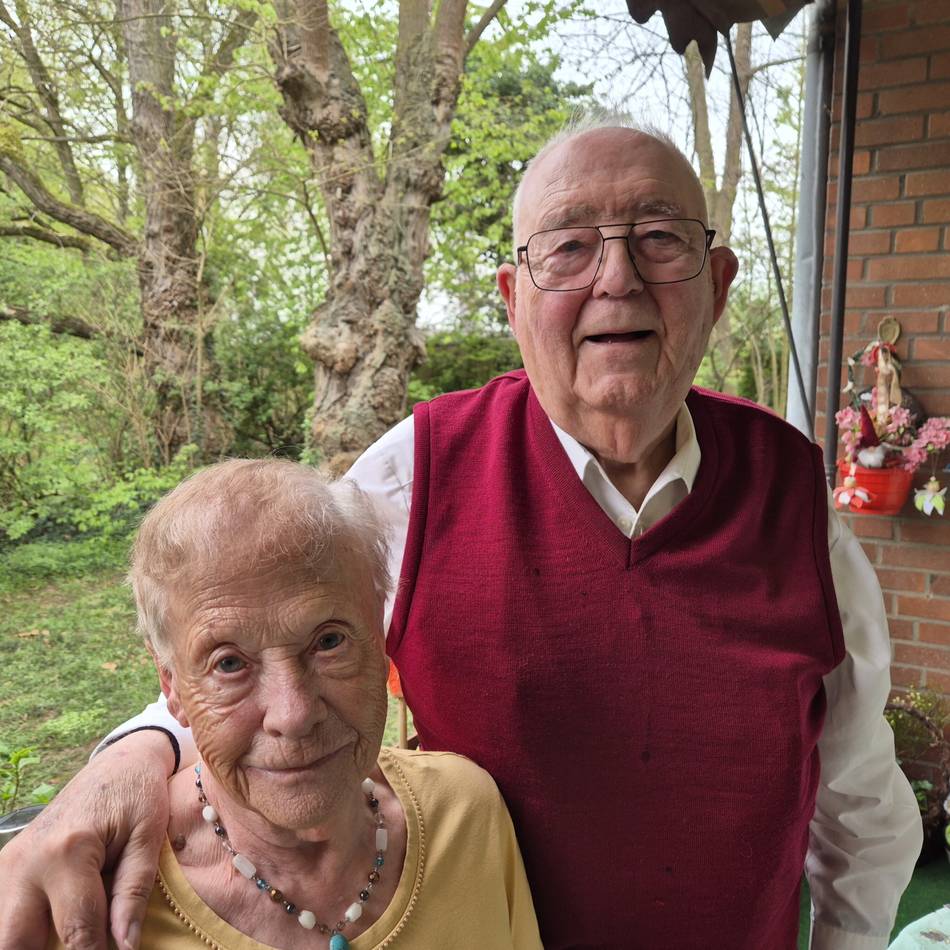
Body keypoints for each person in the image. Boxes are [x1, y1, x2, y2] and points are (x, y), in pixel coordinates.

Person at [0, 122, 921, 950]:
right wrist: (128, 756)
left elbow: (858, 796)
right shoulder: (417, 474)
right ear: (514, 298)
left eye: (659, 239)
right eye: (569, 248)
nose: (617, 278)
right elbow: (257, 645)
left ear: (717, 288)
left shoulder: (795, 495)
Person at [48, 458, 541, 949]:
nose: (294, 713)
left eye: (328, 641)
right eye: (228, 663)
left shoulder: (465, 814)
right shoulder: (98, 904)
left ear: (378, 637)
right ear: (172, 687)